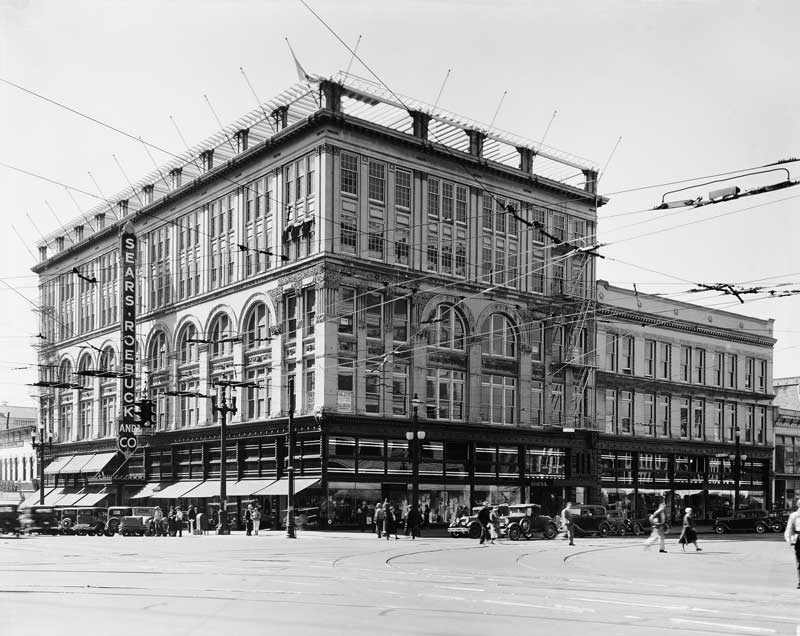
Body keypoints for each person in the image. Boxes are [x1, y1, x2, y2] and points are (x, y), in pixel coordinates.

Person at [784, 497, 800, 589]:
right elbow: (789, 528)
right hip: (798, 538)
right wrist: (788, 539)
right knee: (799, 561)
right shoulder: (794, 516)